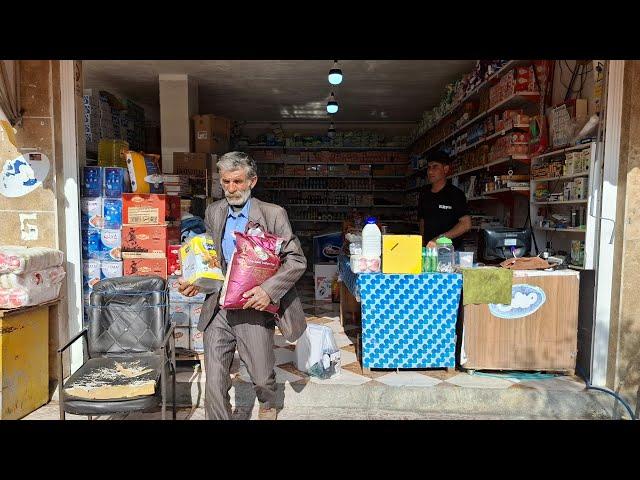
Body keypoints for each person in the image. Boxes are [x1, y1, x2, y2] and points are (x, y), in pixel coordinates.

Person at [178, 151, 307, 420]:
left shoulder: (272, 214)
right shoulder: (214, 211)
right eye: (225, 182)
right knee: (214, 382)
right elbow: (212, 259)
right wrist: (195, 280)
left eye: (237, 182)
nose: (231, 189)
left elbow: (295, 260)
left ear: (252, 181)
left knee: (261, 377)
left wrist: (268, 291)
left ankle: (269, 403)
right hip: (219, 308)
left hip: (253, 306)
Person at [419, 155, 471, 250]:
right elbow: (422, 220)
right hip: (429, 250)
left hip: (451, 251)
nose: (430, 171)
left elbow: (466, 224)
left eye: (435, 167)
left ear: (445, 169)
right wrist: (422, 241)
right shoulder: (424, 193)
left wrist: (439, 239)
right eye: (429, 168)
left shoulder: (455, 194)